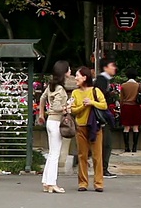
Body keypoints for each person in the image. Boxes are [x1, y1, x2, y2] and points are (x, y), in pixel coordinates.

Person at [71, 66, 107, 192]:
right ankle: (83, 183)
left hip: (95, 127)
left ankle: (98, 183)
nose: (75, 78)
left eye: (77, 76)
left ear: (84, 77)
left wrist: (92, 103)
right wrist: (83, 106)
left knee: (97, 156)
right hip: (80, 126)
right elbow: (72, 109)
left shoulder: (96, 91)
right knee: (82, 155)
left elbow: (104, 105)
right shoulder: (75, 93)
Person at [37, 61, 70, 193]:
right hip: (56, 121)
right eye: (68, 69)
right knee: (55, 154)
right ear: (64, 72)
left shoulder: (51, 86)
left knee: (51, 153)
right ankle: (52, 183)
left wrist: (41, 114)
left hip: (50, 121)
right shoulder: (60, 89)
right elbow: (56, 107)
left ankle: (46, 181)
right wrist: (67, 108)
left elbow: (42, 98)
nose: (70, 72)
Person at [93, 59, 117, 178]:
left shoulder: (104, 80)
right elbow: (100, 97)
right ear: (105, 67)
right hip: (101, 115)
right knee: (106, 143)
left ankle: (102, 168)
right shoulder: (102, 80)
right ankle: (103, 169)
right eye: (112, 65)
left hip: (102, 115)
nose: (114, 68)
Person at [119, 68, 141, 153]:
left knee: (126, 127)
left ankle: (126, 147)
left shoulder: (123, 85)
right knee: (135, 127)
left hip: (126, 106)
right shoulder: (138, 85)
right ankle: (134, 147)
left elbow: (121, 99)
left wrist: (121, 108)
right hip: (135, 107)